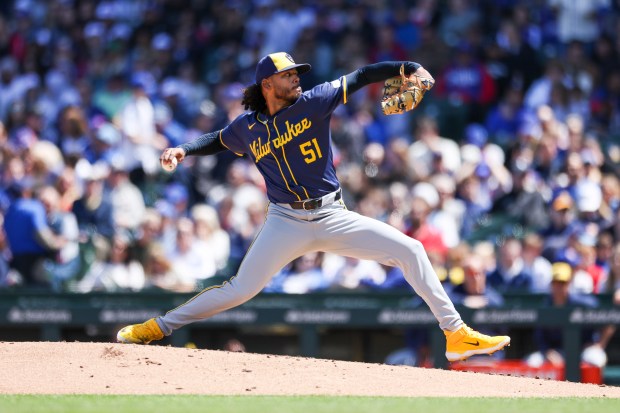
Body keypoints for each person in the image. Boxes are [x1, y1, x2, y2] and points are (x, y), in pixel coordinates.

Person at [116, 52, 510, 362]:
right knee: (239, 289)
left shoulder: (315, 100)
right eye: (289, 75)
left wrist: (410, 67)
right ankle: (159, 327)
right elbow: (219, 139)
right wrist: (183, 149)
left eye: (297, 73)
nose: (297, 78)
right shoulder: (247, 126)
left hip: (332, 215)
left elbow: (362, 76)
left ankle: (455, 334)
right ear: (268, 83)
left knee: (411, 250)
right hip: (284, 221)